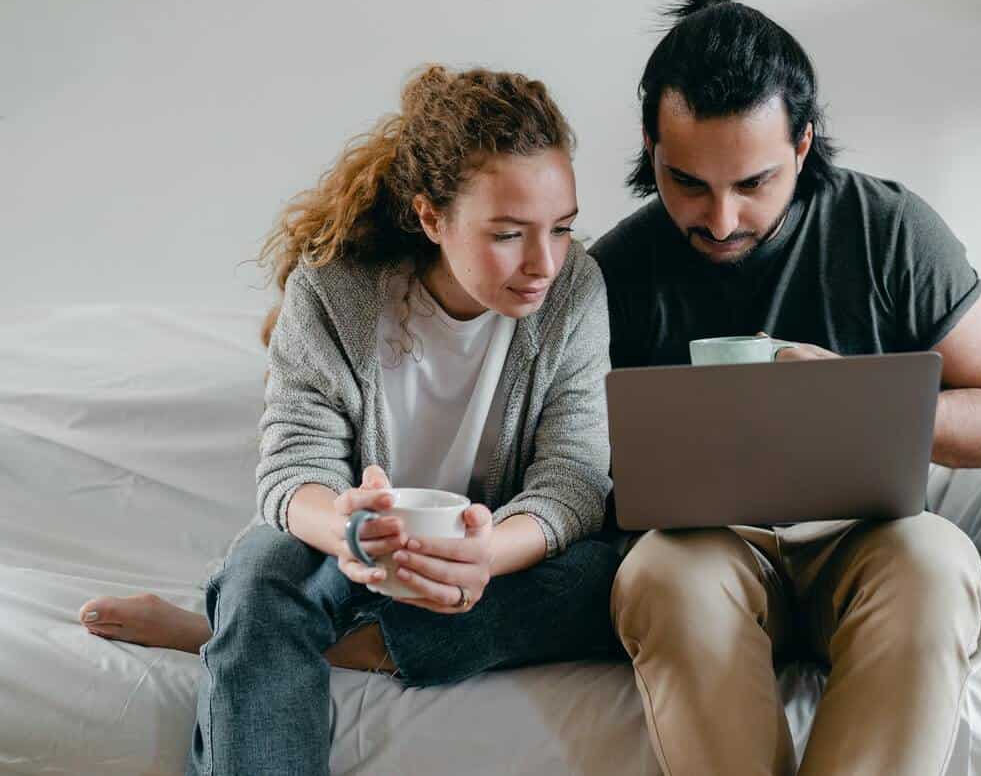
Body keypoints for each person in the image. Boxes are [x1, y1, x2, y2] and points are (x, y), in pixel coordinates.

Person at [79, 65, 621, 775]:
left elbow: (574, 478)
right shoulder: (333, 291)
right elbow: (291, 471)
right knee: (261, 577)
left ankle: (238, 638)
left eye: (563, 228)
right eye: (510, 234)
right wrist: (350, 530)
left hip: (493, 553)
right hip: (349, 538)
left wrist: (486, 553)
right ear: (432, 218)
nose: (544, 262)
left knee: (612, 578)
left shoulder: (574, 289)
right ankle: (257, 627)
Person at [590, 0, 981, 776]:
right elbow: (572, 460)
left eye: (753, 183)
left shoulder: (888, 231)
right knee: (660, 573)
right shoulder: (616, 271)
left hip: (867, 542)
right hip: (708, 548)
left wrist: (849, 404)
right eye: (686, 182)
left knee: (937, 562)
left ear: (802, 143)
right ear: (651, 147)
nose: (720, 220)